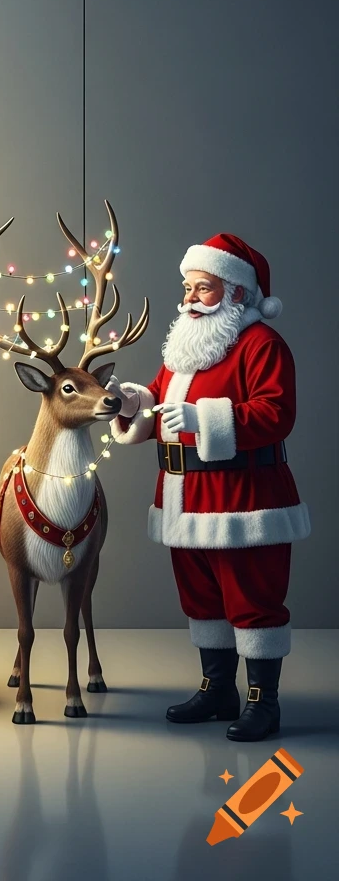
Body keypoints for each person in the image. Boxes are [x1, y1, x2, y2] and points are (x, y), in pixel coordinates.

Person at [108, 233, 310, 742]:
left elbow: (275, 414)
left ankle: (265, 703)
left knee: (253, 599)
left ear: (238, 293)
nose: (189, 298)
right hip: (184, 497)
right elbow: (159, 398)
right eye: (188, 287)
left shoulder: (262, 344)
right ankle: (218, 689)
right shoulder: (188, 344)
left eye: (203, 288)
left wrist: (204, 418)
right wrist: (132, 401)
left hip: (245, 500)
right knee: (202, 599)